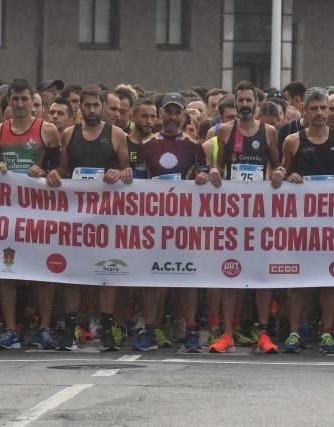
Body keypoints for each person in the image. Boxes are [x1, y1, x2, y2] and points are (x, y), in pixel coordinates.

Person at [45, 87, 133, 352]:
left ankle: (107, 330)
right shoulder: (69, 134)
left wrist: (120, 173)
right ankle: (69, 329)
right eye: (88, 106)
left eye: (97, 106)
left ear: (103, 107)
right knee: (73, 273)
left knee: (107, 272)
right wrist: (52, 175)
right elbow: (63, 168)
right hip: (77, 217)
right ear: (79, 108)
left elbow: (125, 168)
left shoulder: (116, 135)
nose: (92, 110)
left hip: (107, 217)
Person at [280, 87, 334, 354]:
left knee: (330, 279)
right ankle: (294, 331)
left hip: (331, 223)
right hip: (300, 223)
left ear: (329, 110)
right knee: (297, 279)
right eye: (313, 108)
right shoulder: (292, 140)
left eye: (322, 108)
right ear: (305, 110)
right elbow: (281, 172)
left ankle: (327, 331)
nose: (318, 113)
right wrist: (287, 176)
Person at [207, 81, 283, 354]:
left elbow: (278, 164)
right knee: (231, 272)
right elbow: (215, 166)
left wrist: (280, 172)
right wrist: (213, 172)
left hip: (260, 213)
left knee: (261, 275)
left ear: (257, 103)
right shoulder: (224, 131)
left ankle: (263, 332)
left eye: (249, 100)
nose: (245, 104)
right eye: (240, 100)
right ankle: (227, 333)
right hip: (232, 214)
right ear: (235, 103)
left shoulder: (270, 132)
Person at [0, 79, 61, 350]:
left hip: (40, 213)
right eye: (15, 99)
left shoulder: (48, 131)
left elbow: (59, 171)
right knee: (8, 271)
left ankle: (44, 328)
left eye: (24, 99)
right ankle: (11, 329)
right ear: (9, 102)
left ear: (33, 102)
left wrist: (45, 172)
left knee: (42, 272)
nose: (19, 104)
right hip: (8, 213)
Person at [137, 93, 211, 353]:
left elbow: (206, 172)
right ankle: (149, 330)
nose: (172, 117)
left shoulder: (194, 145)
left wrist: (204, 176)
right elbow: (134, 181)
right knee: (153, 278)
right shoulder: (145, 145)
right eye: (167, 112)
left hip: (185, 224)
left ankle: (191, 330)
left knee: (186, 277)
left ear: (184, 116)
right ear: (160, 115)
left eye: (177, 112)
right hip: (153, 224)